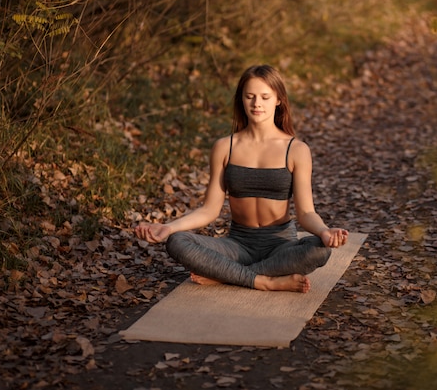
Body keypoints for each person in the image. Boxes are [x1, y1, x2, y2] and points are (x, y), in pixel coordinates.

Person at [135, 64, 349, 293]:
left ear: (278, 100)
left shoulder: (296, 149)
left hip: (280, 246)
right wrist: (168, 228)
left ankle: (226, 274)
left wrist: (325, 231)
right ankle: (265, 280)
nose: (257, 103)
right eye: (250, 96)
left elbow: (306, 213)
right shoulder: (224, 147)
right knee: (177, 242)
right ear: (241, 100)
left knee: (319, 249)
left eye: (265, 97)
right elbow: (209, 210)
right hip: (238, 245)